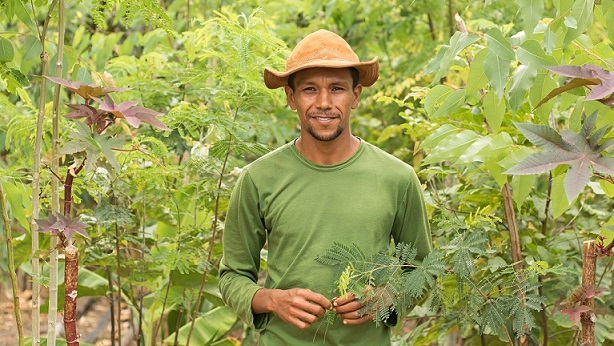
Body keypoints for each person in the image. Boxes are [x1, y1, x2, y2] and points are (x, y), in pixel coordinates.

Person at [219, 29, 432, 345]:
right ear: (291, 97)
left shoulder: (397, 178)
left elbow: (422, 270)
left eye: (337, 89)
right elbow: (232, 276)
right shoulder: (258, 179)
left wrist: (386, 297)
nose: (323, 103)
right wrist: (272, 299)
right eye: (309, 89)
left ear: (355, 96)